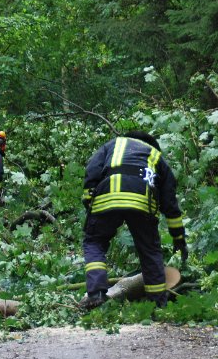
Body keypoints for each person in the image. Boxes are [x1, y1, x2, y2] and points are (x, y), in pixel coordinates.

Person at [80, 130, 187, 309]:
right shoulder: (157, 156)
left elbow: (92, 171)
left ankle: (96, 293)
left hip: (107, 198)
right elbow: (170, 205)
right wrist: (179, 238)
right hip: (143, 204)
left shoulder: (112, 145)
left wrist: (89, 199)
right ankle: (158, 306)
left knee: (95, 242)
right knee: (150, 253)